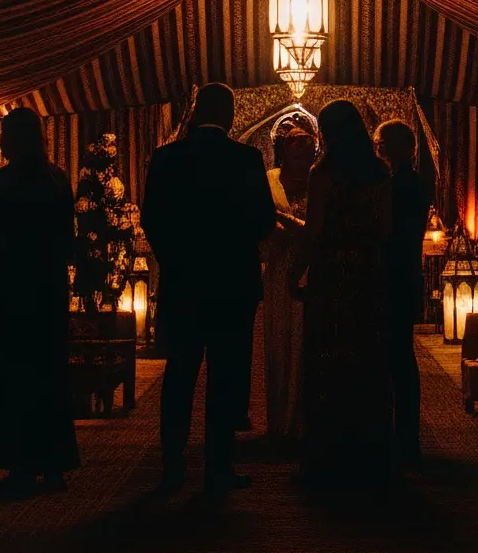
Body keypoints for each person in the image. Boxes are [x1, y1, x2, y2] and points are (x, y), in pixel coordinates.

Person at [141, 82, 276, 496]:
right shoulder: (247, 160)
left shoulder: (167, 159)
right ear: (231, 116)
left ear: (196, 112)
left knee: (180, 373)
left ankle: (172, 465)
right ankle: (218, 467)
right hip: (233, 285)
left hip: (184, 283)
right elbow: (264, 221)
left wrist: (173, 258)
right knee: (225, 376)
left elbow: (152, 219)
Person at [0, 105, 80, 493]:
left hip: (9, 293)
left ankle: (20, 465)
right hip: (47, 290)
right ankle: (55, 463)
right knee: (49, 375)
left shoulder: (0, 183)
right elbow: (66, 238)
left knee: (13, 378)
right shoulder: (57, 180)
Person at [295, 100, 394, 487]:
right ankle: (369, 455)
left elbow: (314, 232)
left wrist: (295, 273)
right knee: (367, 360)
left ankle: (329, 456)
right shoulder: (380, 174)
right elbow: (385, 228)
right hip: (369, 274)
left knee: (329, 361)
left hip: (333, 275)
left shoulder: (325, 175)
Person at [374, 119, 433, 463]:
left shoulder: (397, 185)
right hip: (407, 274)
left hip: (393, 276)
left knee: (396, 359)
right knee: (400, 357)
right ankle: (405, 435)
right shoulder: (416, 182)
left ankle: (403, 439)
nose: (376, 147)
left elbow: (387, 232)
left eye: (381, 142)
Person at [261, 107, 319, 444]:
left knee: (310, 341)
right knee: (279, 341)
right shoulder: (267, 181)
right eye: (294, 150)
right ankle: (279, 421)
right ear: (281, 149)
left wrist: (297, 227)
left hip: (314, 269)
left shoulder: (321, 180)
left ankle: (307, 422)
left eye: (307, 152)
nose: (302, 158)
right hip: (279, 269)